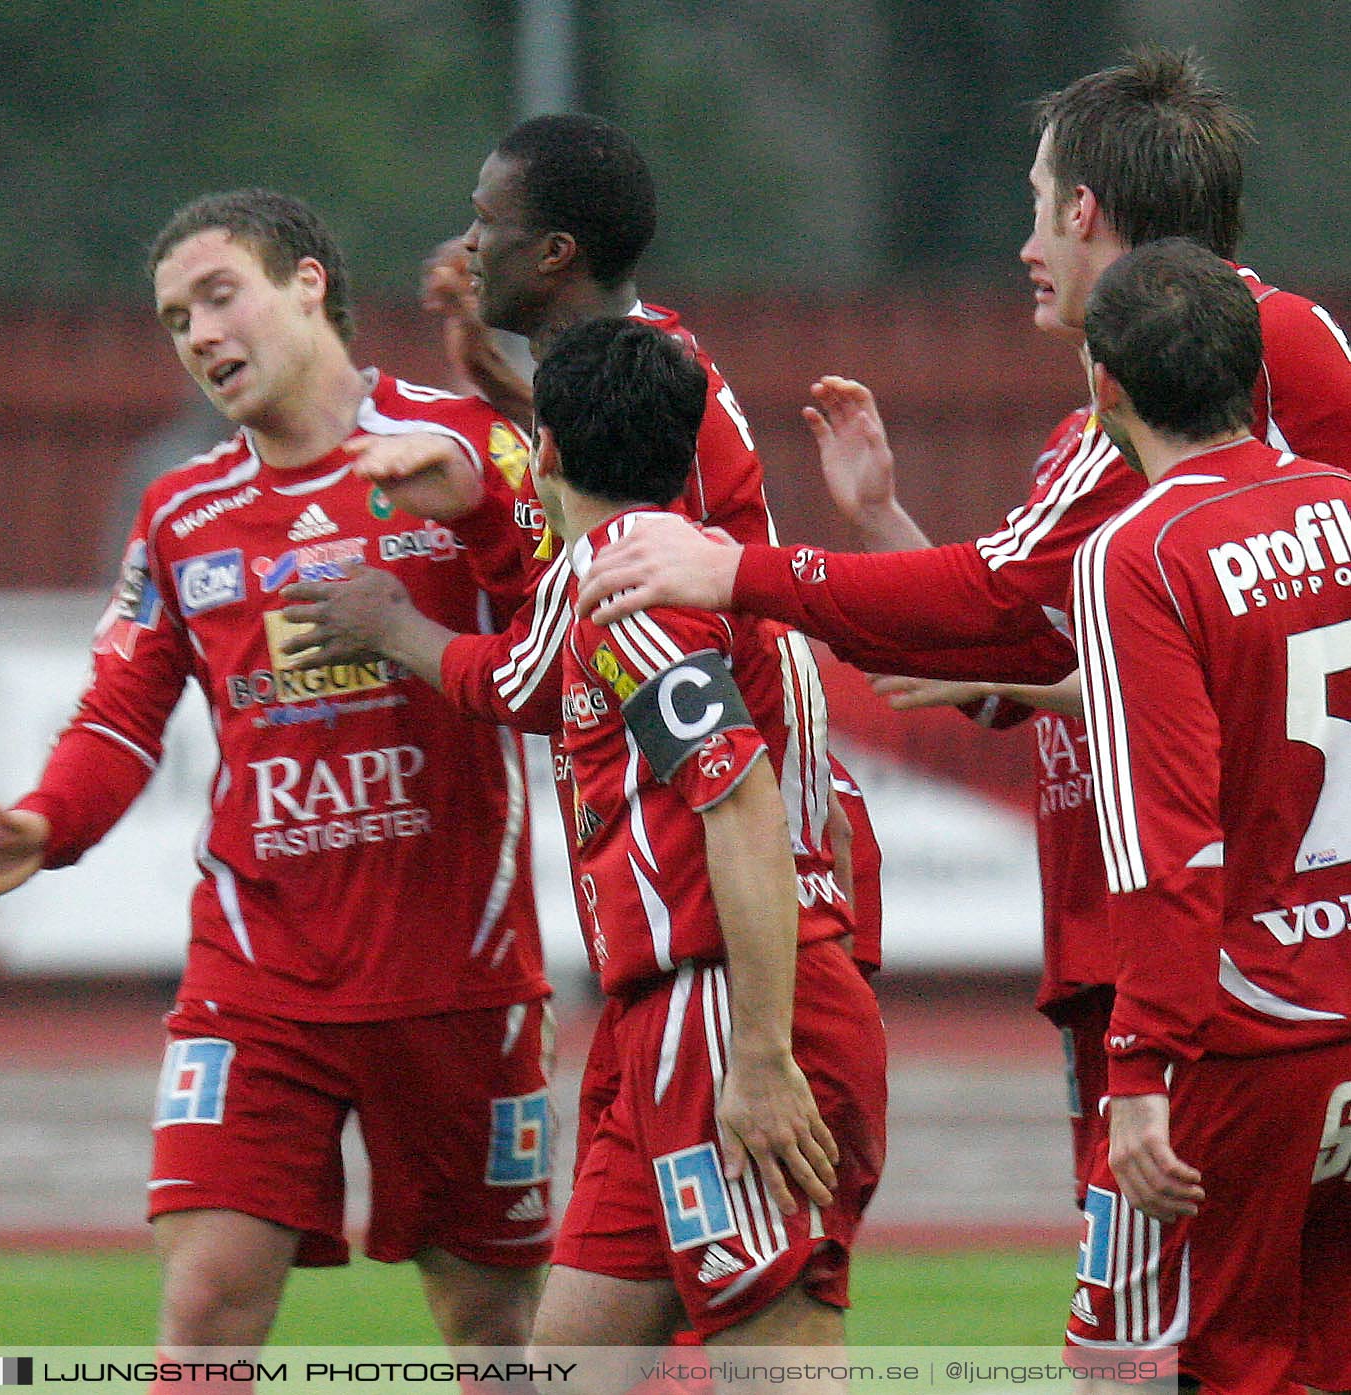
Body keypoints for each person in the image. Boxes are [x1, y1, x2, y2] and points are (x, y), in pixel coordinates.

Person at [575, 48, 1351, 1205]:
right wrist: (886, 525)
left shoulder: (1213, 381)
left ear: (1083, 210)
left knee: (1152, 1354)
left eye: (1035, 206)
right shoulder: (1195, 385)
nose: (1025, 246)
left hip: (1222, 962)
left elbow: (998, 603)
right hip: (1199, 939)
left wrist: (736, 570)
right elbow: (1019, 639)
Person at [0, 189, 552, 1379]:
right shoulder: (182, 513)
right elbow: (122, 710)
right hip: (257, 970)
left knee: (490, 1333)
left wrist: (484, 512)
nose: (200, 334)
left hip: (455, 976)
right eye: (176, 318)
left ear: (308, 285)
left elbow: (561, 642)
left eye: (220, 295)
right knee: (210, 1302)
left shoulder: (463, 443)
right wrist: (47, 817)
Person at [283, 112, 883, 978]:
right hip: (700, 899)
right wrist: (495, 427)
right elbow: (562, 583)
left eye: (488, 220)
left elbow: (547, 669)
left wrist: (390, 623)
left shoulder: (641, 412)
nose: (468, 244)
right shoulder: (638, 370)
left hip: (727, 912)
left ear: (556, 253)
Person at [526, 318, 885, 1375]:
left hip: (728, 1014)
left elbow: (742, 806)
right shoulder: (651, 585)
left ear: (541, 451)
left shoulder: (637, 607)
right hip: (668, 1023)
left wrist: (763, 1054)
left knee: (774, 1356)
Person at [1066, 236, 1351, 1394]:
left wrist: (1134, 1073)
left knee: (1127, 1366)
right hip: (1340, 1008)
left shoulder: (1134, 550)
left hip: (1229, 1041)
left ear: (1105, 386)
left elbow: (1166, 839)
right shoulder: (1342, 502)